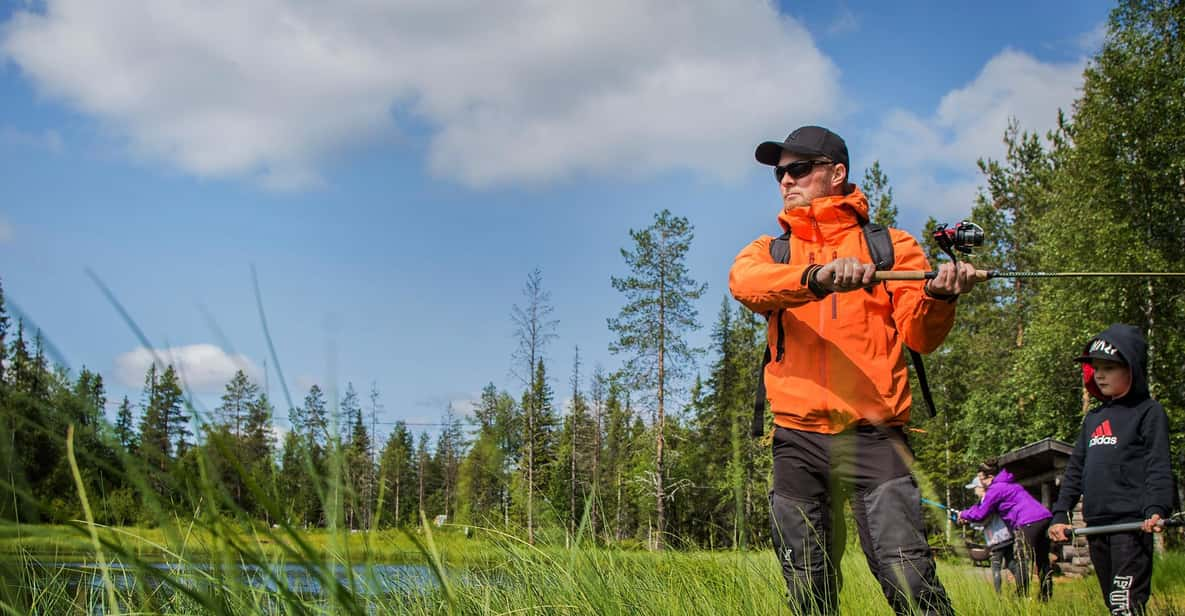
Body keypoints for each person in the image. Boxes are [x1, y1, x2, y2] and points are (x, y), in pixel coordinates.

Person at [729, 125, 978, 615]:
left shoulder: (893, 248)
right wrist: (816, 277)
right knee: (806, 583)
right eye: (780, 173)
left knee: (908, 574)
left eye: (798, 168)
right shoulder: (771, 252)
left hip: (875, 436)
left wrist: (940, 295)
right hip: (797, 438)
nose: (785, 180)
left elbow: (922, 336)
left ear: (836, 173)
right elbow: (745, 283)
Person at [1048, 324, 1173, 616]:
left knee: (1125, 605)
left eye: (1108, 368)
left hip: (1130, 525)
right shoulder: (1094, 418)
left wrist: (1156, 508)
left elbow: (1158, 465)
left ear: (1132, 369)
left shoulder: (1148, 412)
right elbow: (1075, 470)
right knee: (1112, 602)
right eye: (1096, 368)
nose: (1099, 374)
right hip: (1096, 525)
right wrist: (1060, 515)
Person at [957, 460, 1053, 600]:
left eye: (981, 479)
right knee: (1042, 560)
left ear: (990, 477)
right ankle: (1046, 596)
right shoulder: (1008, 484)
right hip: (1044, 517)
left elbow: (980, 514)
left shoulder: (995, 489)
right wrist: (968, 514)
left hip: (1027, 522)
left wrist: (963, 514)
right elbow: (983, 509)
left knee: (1022, 560)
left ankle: (1021, 598)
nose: (980, 482)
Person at [967, 476, 1021, 595]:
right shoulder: (992, 499)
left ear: (981, 488)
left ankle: (998, 596)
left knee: (996, 567)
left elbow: (983, 520)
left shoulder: (987, 501)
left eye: (975, 488)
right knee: (1012, 564)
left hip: (997, 540)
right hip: (1006, 538)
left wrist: (970, 521)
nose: (974, 491)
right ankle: (1023, 589)